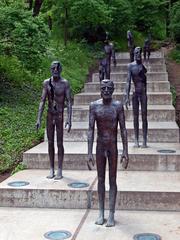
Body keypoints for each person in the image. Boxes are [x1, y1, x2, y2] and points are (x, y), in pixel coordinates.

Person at [87, 79, 129, 227]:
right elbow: (91, 129)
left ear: (113, 89)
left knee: (112, 179)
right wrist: (89, 152)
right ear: (100, 89)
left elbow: (123, 129)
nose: (106, 90)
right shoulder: (94, 106)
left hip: (112, 146)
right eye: (103, 88)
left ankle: (111, 213)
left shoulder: (118, 106)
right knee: (100, 179)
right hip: (100, 146)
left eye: (109, 88)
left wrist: (125, 150)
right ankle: (101, 212)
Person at [36, 61, 72, 179]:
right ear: (50, 69)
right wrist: (38, 118)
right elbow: (42, 100)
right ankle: (51, 168)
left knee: (60, 142)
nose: (55, 70)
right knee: (50, 142)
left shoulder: (65, 83)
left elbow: (69, 102)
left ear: (60, 69)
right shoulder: (47, 83)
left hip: (60, 115)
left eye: (57, 68)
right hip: (50, 114)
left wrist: (69, 119)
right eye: (53, 68)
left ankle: (60, 169)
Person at [124, 47, 148, 148]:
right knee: (135, 117)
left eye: (140, 52)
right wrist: (126, 96)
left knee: (144, 116)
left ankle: (144, 140)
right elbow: (128, 81)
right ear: (134, 54)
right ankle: (136, 139)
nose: (138, 54)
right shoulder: (130, 66)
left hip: (142, 93)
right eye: (137, 52)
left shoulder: (142, 66)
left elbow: (145, 82)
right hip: (135, 93)